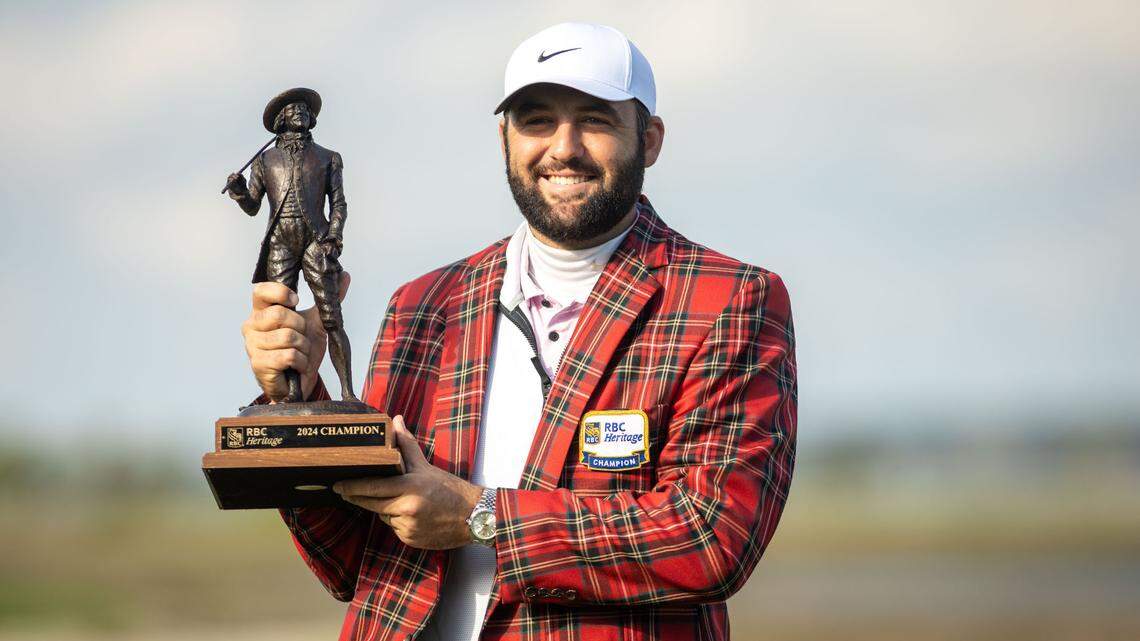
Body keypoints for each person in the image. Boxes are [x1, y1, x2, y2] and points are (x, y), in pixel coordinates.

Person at [240, 22, 797, 641]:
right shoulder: (425, 304)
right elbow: (358, 566)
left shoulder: (728, 300)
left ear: (651, 138)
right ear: (504, 138)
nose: (564, 147)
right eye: (536, 120)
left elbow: (709, 538)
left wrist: (481, 518)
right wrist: (300, 398)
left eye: (595, 119)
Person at [228, 87, 358, 402]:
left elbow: (339, 204)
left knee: (332, 316)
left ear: (311, 119)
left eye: (303, 109)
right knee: (282, 314)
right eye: (292, 110)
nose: (299, 112)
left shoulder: (328, 158)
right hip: (281, 241)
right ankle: (293, 393)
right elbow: (253, 206)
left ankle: (347, 392)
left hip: (316, 238)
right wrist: (239, 190)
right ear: (281, 121)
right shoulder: (265, 160)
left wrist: (334, 235)